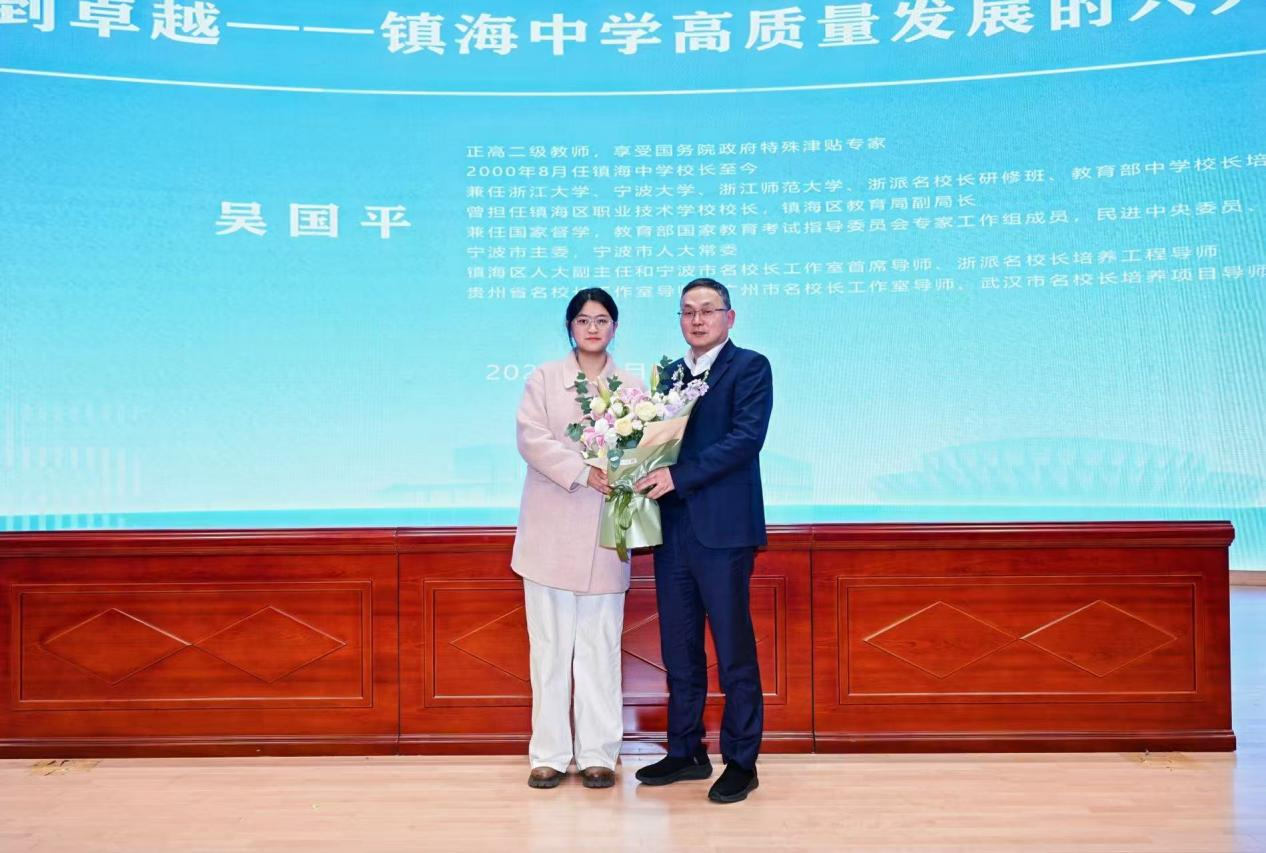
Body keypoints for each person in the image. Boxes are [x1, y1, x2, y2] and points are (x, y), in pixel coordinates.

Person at [633, 278, 773, 804]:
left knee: (733, 648)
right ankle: (686, 750)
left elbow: (745, 439)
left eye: (708, 310)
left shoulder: (750, 367)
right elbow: (653, 443)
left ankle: (741, 761)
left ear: (729, 318)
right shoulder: (669, 375)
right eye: (688, 311)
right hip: (672, 530)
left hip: (724, 531)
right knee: (679, 645)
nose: (697, 319)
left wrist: (679, 476)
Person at [511, 287, 643, 790]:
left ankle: (598, 754)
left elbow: (646, 446)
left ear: (615, 327)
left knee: (599, 648)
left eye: (602, 319)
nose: (593, 328)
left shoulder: (632, 386)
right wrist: (583, 470)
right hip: (550, 530)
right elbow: (531, 438)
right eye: (584, 320)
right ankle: (547, 753)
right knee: (549, 649)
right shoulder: (545, 378)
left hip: (606, 533)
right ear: (570, 327)